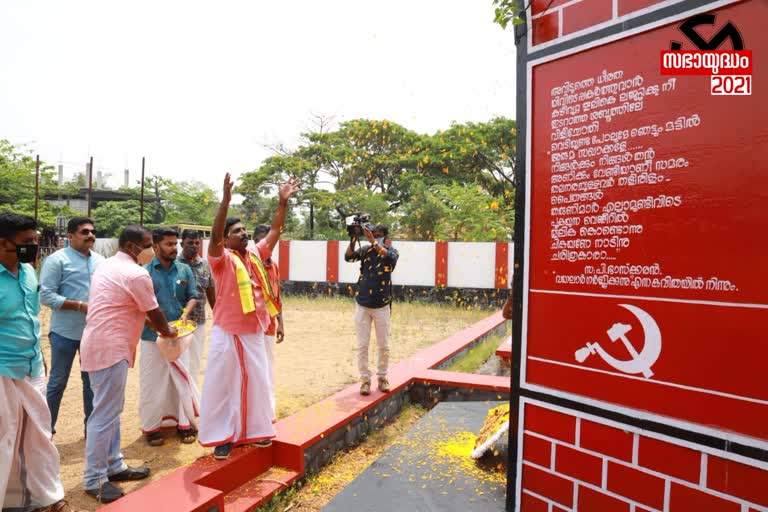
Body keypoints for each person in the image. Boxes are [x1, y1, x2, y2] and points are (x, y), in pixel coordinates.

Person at [199, 173, 299, 460]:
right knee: (222, 383)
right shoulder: (221, 259)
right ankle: (223, 437)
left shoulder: (255, 254)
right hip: (227, 331)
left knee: (257, 381)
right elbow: (215, 236)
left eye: (244, 230)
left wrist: (282, 202)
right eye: (237, 232)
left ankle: (256, 432)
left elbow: (276, 230)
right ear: (227, 240)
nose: (243, 234)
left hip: (254, 330)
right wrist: (226, 200)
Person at [79, 225, 177, 504]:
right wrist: (168, 332)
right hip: (110, 347)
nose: (152, 249)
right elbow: (154, 312)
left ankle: (114, 464)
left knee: (110, 409)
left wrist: (155, 324)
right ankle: (95, 479)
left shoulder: (108, 266)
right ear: (133, 247)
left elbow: (125, 306)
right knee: (104, 413)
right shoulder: (136, 274)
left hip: (100, 343)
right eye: (148, 244)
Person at [0, 212, 82, 512]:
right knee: (4, 437)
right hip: (2, 369)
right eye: (26, 242)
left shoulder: (28, 271)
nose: (33, 247)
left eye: (35, 240)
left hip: (31, 365)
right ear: (2, 243)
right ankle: (10, 501)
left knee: (39, 435)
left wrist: (40, 355)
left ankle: (46, 497)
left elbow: (32, 318)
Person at [40, 216, 104, 438]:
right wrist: (79, 306)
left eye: (92, 231)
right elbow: (46, 296)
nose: (91, 235)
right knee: (57, 382)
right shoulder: (57, 260)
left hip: (93, 333)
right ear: (70, 236)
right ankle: (45, 431)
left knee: (91, 383)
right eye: (84, 232)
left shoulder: (100, 260)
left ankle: (92, 430)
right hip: (64, 333)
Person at [139, 227, 200, 446]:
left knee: (181, 381)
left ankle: (184, 425)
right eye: (169, 244)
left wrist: (185, 313)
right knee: (153, 383)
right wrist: (158, 326)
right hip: (151, 337)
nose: (174, 248)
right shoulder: (144, 272)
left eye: (175, 244)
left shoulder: (184, 270)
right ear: (155, 246)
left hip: (179, 336)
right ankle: (152, 428)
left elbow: (193, 295)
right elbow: (140, 306)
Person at [344, 224, 399, 396]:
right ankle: (365, 380)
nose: (375, 237)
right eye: (373, 235)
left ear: (385, 237)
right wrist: (354, 238)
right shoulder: (366, 250)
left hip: (382, 305)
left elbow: (389, 258)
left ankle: (382, 377)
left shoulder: (392, 251)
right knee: (362, 345)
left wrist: (371, 241)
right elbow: (349, 257)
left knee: (383, 345)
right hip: (362, 304)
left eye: (378, 235)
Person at [251, 223, 284, 422]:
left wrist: (281, 322)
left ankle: (268, 410)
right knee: (254, 369)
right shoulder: (246, 265)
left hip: (269, 326)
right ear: (254, 243)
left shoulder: (274, 266)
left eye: (270, 243)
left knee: (268, 368)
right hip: (250, 327)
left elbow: (277, 296)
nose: (266, 247)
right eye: (262, 242)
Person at [177, 229, 216, 386]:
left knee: (195, 361)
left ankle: (191, 399)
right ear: (182, 244)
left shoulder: (205, 265)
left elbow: (211, 291)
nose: (193, 246)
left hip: (199, 322)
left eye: (196, 243)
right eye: (189, 243)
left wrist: (218, 315)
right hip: (179, 323)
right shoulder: (175, 264)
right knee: (180, 361)